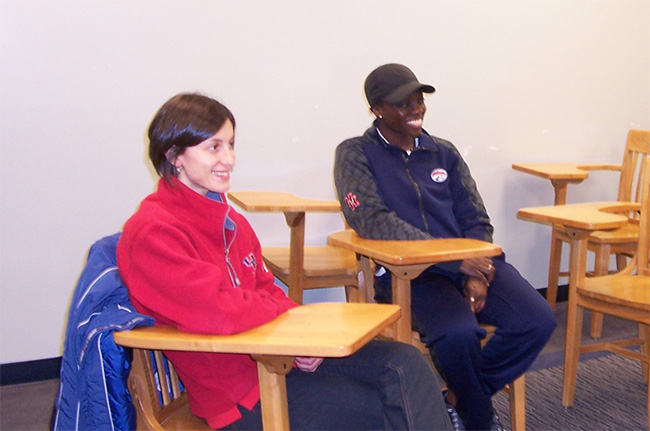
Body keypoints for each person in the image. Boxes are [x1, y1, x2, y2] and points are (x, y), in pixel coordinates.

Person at [117, 92, 453, 431]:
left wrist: (302, 341)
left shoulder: (229, 220)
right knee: (379, 408)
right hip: (238, 394)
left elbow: (266, 289)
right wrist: (284, 326)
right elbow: (217, 311)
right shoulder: (152, 232)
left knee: (404, 363)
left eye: (231, 144)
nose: (229, 159)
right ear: (174, 155)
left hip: (276, 360)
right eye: (214, 147)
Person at [334, 64, 557, 431]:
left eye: (418, 99)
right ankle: (479, 417)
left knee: (537, 319)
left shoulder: (444, 153)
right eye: (402, 103)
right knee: (457, 334)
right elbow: (371, 219)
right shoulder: (356, 154)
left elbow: (477, 219)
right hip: (409, 275)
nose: (415, 108)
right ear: (376, 109)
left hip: (471, 264)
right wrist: (455, 262)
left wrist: (480, 269)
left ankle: (458, 398)